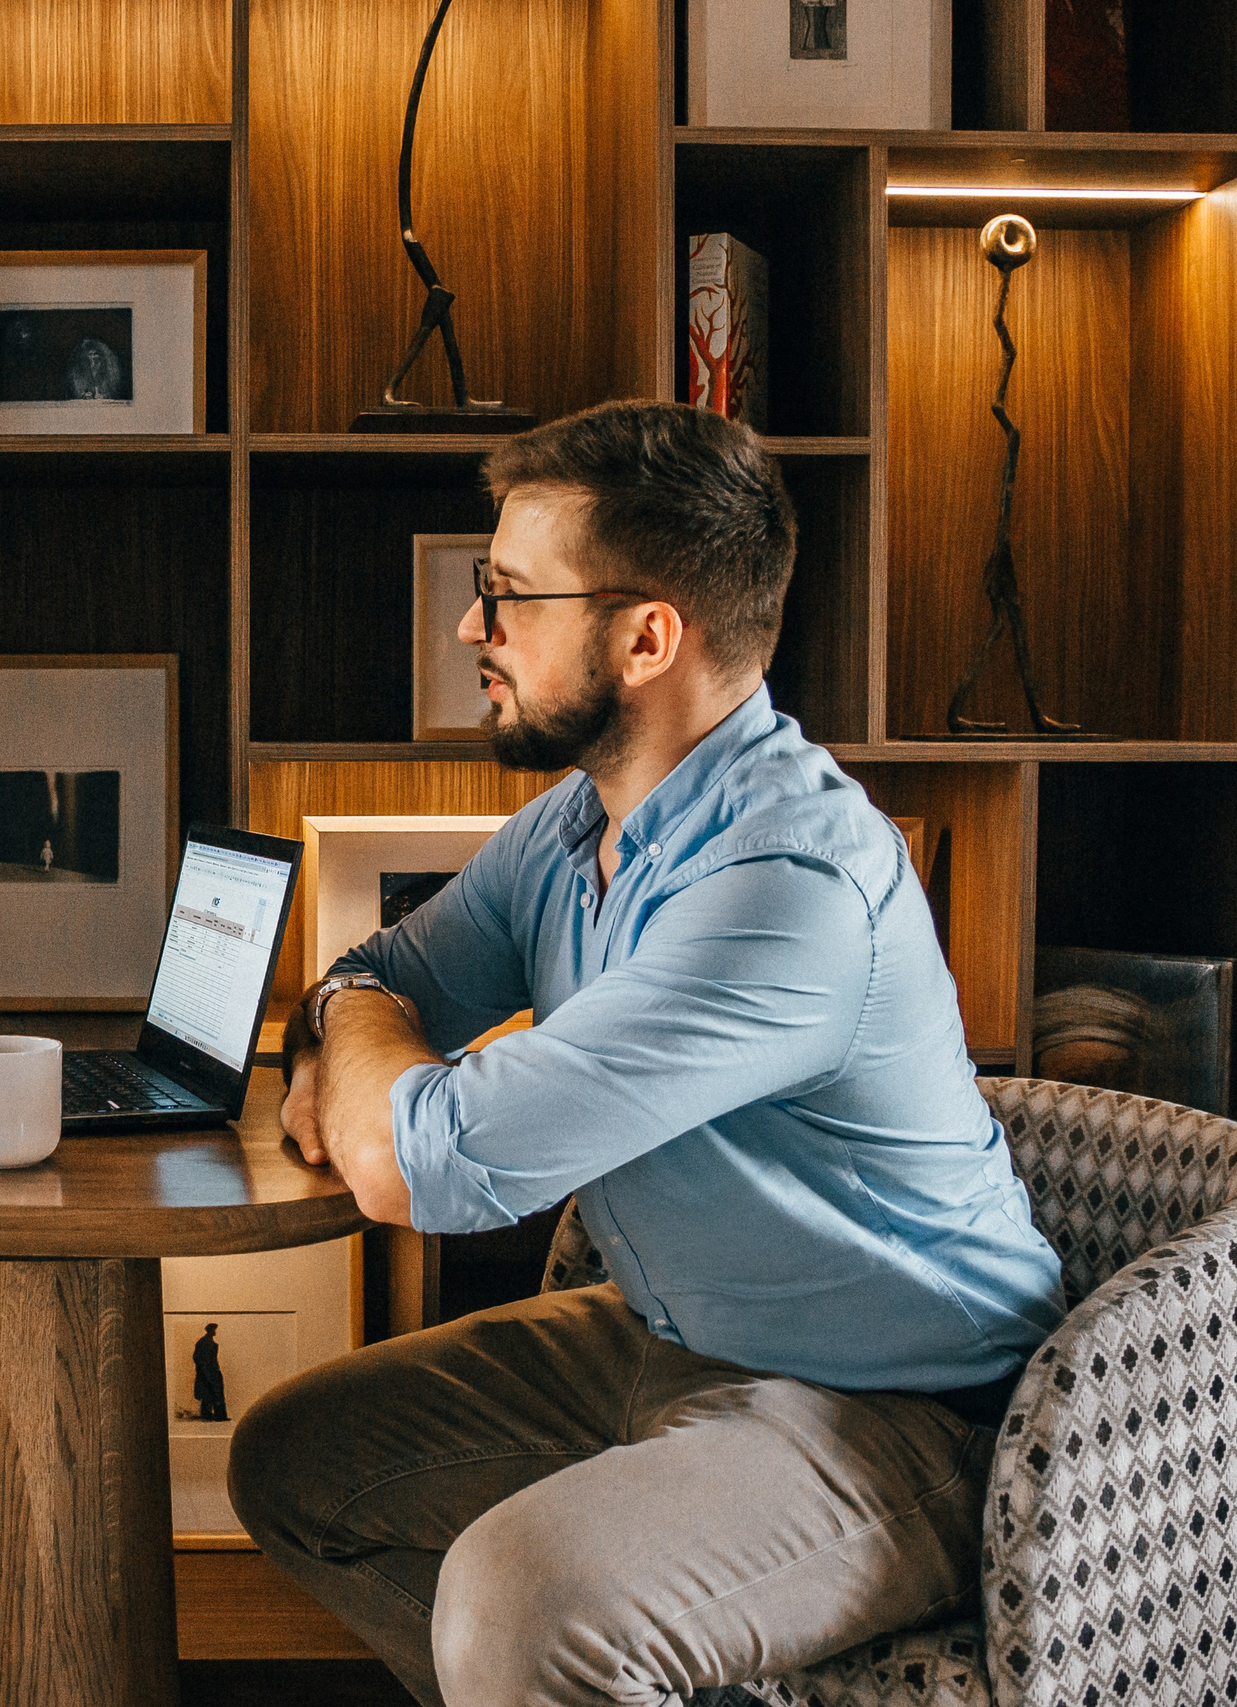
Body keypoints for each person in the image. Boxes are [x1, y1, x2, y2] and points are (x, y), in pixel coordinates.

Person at [227, 401, 1066, 1707]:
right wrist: (353, 1032)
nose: (471, 627)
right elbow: (370, 977)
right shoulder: (573, 823)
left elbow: (418, 1163)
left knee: (523, 1600)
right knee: (296, 1458)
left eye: (505, 593)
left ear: (646, 635)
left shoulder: (781, 888)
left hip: (904, 1410)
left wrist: (356, 1066)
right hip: (676, 1334)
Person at [192, 1322, 228, 1422]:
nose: (215, 1331)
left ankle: (218, 1415)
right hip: (207, 1372)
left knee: (214, 1392)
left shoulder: (208, 1342)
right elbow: (197, 1357)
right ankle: (212, 1415)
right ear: (210, 1330)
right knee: (209, 1393)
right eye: (213, 1329)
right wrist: (205, 1369)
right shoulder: (204, 1342)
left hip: (212, 1371)